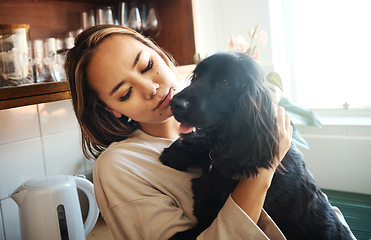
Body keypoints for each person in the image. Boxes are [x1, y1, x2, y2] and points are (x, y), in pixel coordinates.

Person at [64, 25, 347, 240]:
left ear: (161, 55)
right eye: (125, 93)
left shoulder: (221, 120)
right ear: (111, 109)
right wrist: (264, 169)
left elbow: (312, 203)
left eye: (148, 65)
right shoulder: (120, 167)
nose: (150, 88)